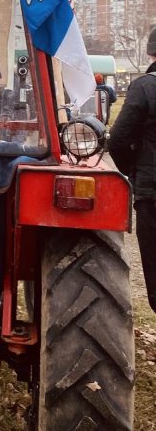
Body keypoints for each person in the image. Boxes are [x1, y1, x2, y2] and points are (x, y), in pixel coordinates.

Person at [109, 26, 156, 313]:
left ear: (151, 52)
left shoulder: (145, 87)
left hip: (152, 191)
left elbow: (117, 141)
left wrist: (133, 173)